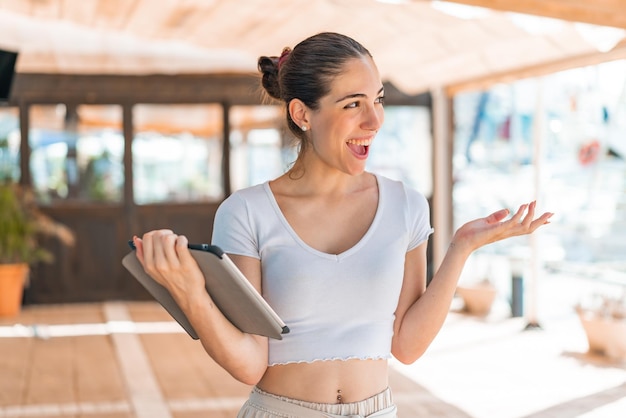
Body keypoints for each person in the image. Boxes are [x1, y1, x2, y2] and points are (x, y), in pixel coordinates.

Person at [133, 32, 553, 418]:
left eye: (378, 99)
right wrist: (189, 293)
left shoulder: (406, 206)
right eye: (353, 104)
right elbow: (248, 364)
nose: (374, 120)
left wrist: (461, 247)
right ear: (302, 114)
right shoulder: (246, 212)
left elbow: (406, 346)